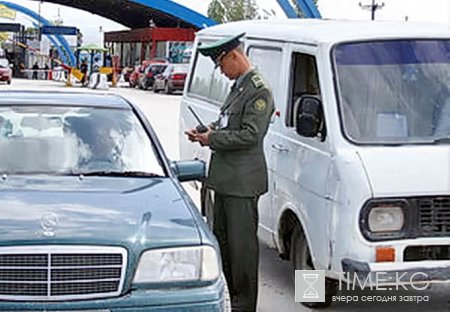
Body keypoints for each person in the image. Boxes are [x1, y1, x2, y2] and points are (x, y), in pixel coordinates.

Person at [185, 33, 274, 312]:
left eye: (221, 64)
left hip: (241, 185)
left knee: (242, 253)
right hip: (225, 182)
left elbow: (250, 135)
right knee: (224, 247)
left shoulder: (259, 90)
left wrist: (212, 139)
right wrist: (205, 131)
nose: (222, 72)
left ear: (234, 56)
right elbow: (227, 122)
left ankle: (244, 306)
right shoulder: (239, 88)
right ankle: (229, 302)